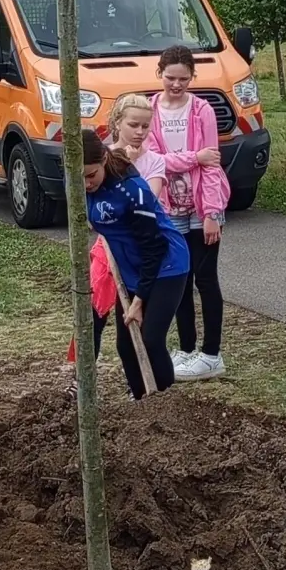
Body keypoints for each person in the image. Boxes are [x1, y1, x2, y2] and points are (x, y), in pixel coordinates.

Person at [84, 132, 191, 399]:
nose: (85, 183)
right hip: (129, 268)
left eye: (90, 175)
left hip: (167, 264)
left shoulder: (133, 191)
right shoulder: (80, 185)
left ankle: (167, 404)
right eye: (78, 177)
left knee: (151, 339)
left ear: (104, 159)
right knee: (126, 344)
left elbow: (153, 247)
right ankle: (141, 403)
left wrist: (140, 299)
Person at [147, 46, 231, 382]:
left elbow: (213, 164)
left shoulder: (202, 110)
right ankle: (185, 348)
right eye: (171, 78)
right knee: (179, 280)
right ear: (160, 74)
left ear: (192, 77)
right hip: (169, 208)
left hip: (202, 207)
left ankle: (211, 354)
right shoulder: (149, 110)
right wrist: (195, 156)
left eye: (184, 79)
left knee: (205, 278)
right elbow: (154, 161)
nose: (177, 84)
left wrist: (211, 212)